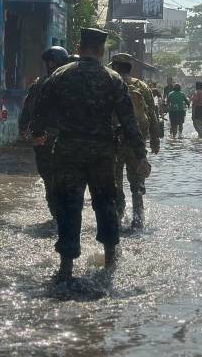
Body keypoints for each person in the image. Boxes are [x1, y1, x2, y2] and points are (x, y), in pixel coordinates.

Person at [31, 28, 149, 282]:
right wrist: (141, 155)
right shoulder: (113, 79)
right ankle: (110, 260)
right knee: (106, 203)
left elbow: (39, 110)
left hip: (68, 151)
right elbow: (129, 121)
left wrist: (38, 133)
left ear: (79, 47)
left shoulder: (60, 75)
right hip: (102, 154)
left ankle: (66, 267)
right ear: (102, 50)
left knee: (69, 205)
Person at [18, 46, 73, 221]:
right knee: (53, 177)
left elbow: (28, 111)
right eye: (49, 62)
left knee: (52, 177)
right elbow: (28, 109)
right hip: (52, 137)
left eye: (52, 61)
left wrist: (24, 128)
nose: (50, 65)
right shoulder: (65, 84)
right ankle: (60, 214)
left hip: (49, 137)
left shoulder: (42, 83)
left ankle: (59, 214)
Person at [109, 53, 161, 229]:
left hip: (114, 141)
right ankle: (138, 219)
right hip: (136, 141)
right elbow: (152, 113)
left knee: (115, 180)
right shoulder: (142, 86)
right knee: (137, 181)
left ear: (115, 67)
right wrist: (155, 139)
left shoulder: (109, 83)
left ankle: (118, 215)